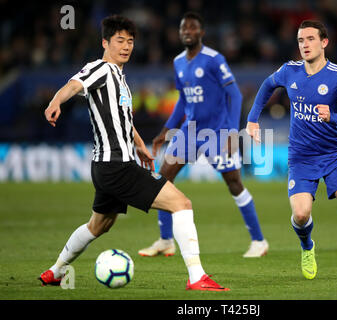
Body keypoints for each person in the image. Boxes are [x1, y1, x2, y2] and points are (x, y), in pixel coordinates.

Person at [39, 15, 229, 291]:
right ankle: (197, 277)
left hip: (107, 167)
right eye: (120, 41)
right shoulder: (102, 69)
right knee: (182, 204)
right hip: (117, 167)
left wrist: (139, 144)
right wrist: (55, 101)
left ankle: (55, 272)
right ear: (105, 42)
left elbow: (123, 121)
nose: (126, 46)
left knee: (98, 225)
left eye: (130, 41)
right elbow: (74, 84)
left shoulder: (120, 78)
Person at [246, 20, 337, 282]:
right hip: (301, 157)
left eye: (310, 39)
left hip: (334, 155)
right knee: (300, 214)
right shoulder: (290, 71)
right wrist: (253, 118)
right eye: (300, 40)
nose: (304, 45)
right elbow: (267, 85)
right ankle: (307, 247)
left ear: (324, 42)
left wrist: (332, 115)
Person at [138, 12, 268, 258]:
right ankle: (166, 240)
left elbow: (236, 95)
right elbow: (183, 101)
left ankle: (259, 241)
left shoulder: (213, 59)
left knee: (234, 184)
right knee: (163, 178)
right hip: (190, 131)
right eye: (183, 28)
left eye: (192, 28)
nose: (187, 31)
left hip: (217, 131)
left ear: (201, 32)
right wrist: (166, 130)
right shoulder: (178, 62)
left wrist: (231, 132)